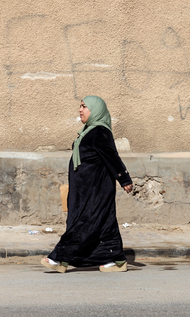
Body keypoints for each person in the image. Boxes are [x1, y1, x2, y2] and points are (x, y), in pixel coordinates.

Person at [41, 96, 133, 273]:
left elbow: (112, 156)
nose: (80, 110)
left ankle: (59, 258)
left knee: (82, 222)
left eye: (84, 107)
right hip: (83, 189)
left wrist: (124, 179)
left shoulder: (100, 132)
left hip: (96, 190)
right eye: (80, 106)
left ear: (96, 110)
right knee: (104, 224)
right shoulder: (87, 131)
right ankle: (116, 260)